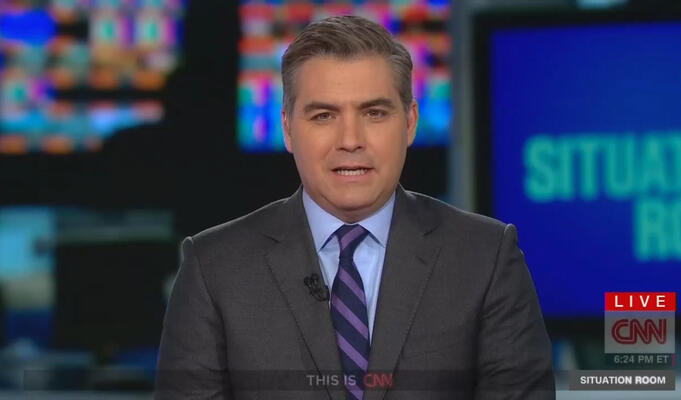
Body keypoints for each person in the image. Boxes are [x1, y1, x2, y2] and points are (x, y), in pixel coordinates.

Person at [155, 15, 554, 400]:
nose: (350, 140)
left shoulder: (486, 259)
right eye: (324, 115)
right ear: (288, 129)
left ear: (410, 122)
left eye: (374, 113)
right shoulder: (214, 269)